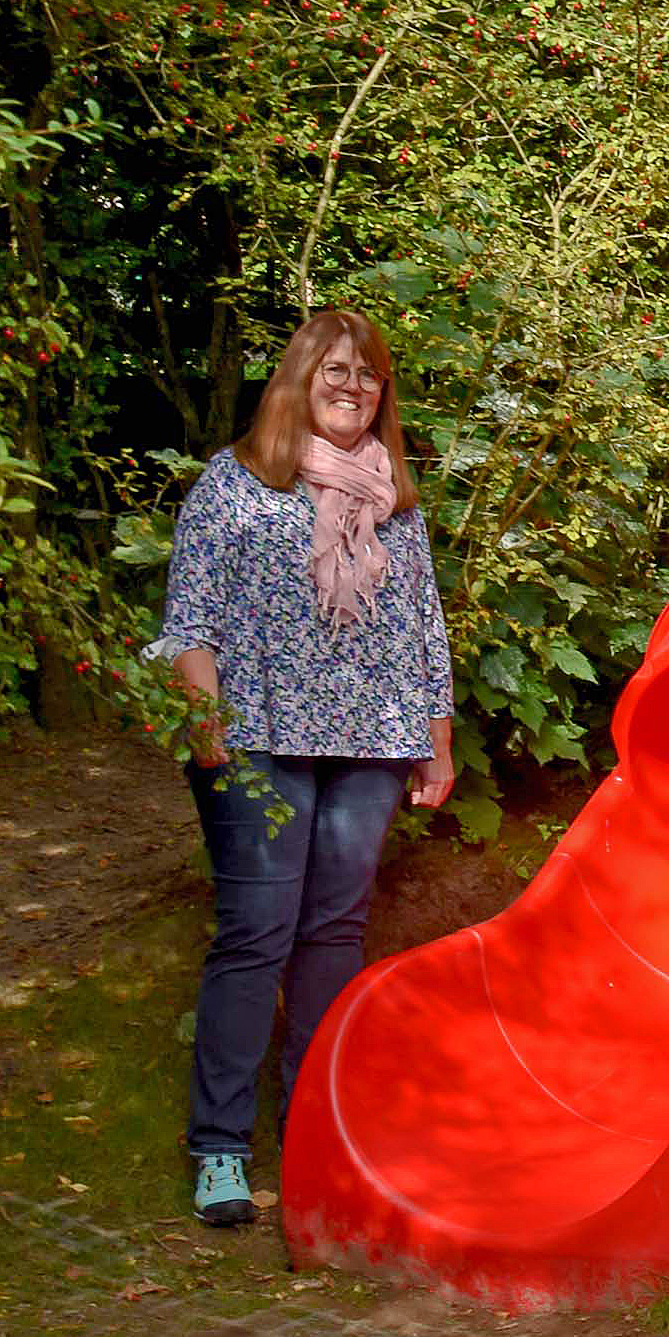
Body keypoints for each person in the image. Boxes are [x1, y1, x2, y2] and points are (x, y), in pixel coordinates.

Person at [159, 308, 455, 1229]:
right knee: (256, 928)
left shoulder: (394, 502)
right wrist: (205, 720)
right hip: (257, 739)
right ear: (298, 378)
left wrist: (437, 740)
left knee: (333, 932)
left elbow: (424, 630)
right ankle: (219, 1149)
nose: (353, 386)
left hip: (372, 742)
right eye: (336, 369)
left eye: (368, 375)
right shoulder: (238, 484)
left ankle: (314, 1132)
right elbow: (190, 616)